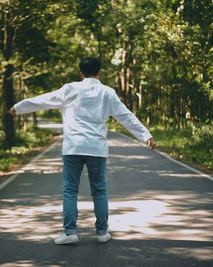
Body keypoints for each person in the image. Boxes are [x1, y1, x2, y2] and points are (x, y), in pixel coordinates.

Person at [9, 57, 156, 245]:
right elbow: (125, 116)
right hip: (96, 148)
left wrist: (18, 107)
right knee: (99, 191)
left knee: (70, 190)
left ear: (81, 73)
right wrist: (146, 135)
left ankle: (70, 232)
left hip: (73, 148)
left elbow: (43, 100)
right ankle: (102, 232)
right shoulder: (107, 92)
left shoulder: (70, 89)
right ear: (100, 72)